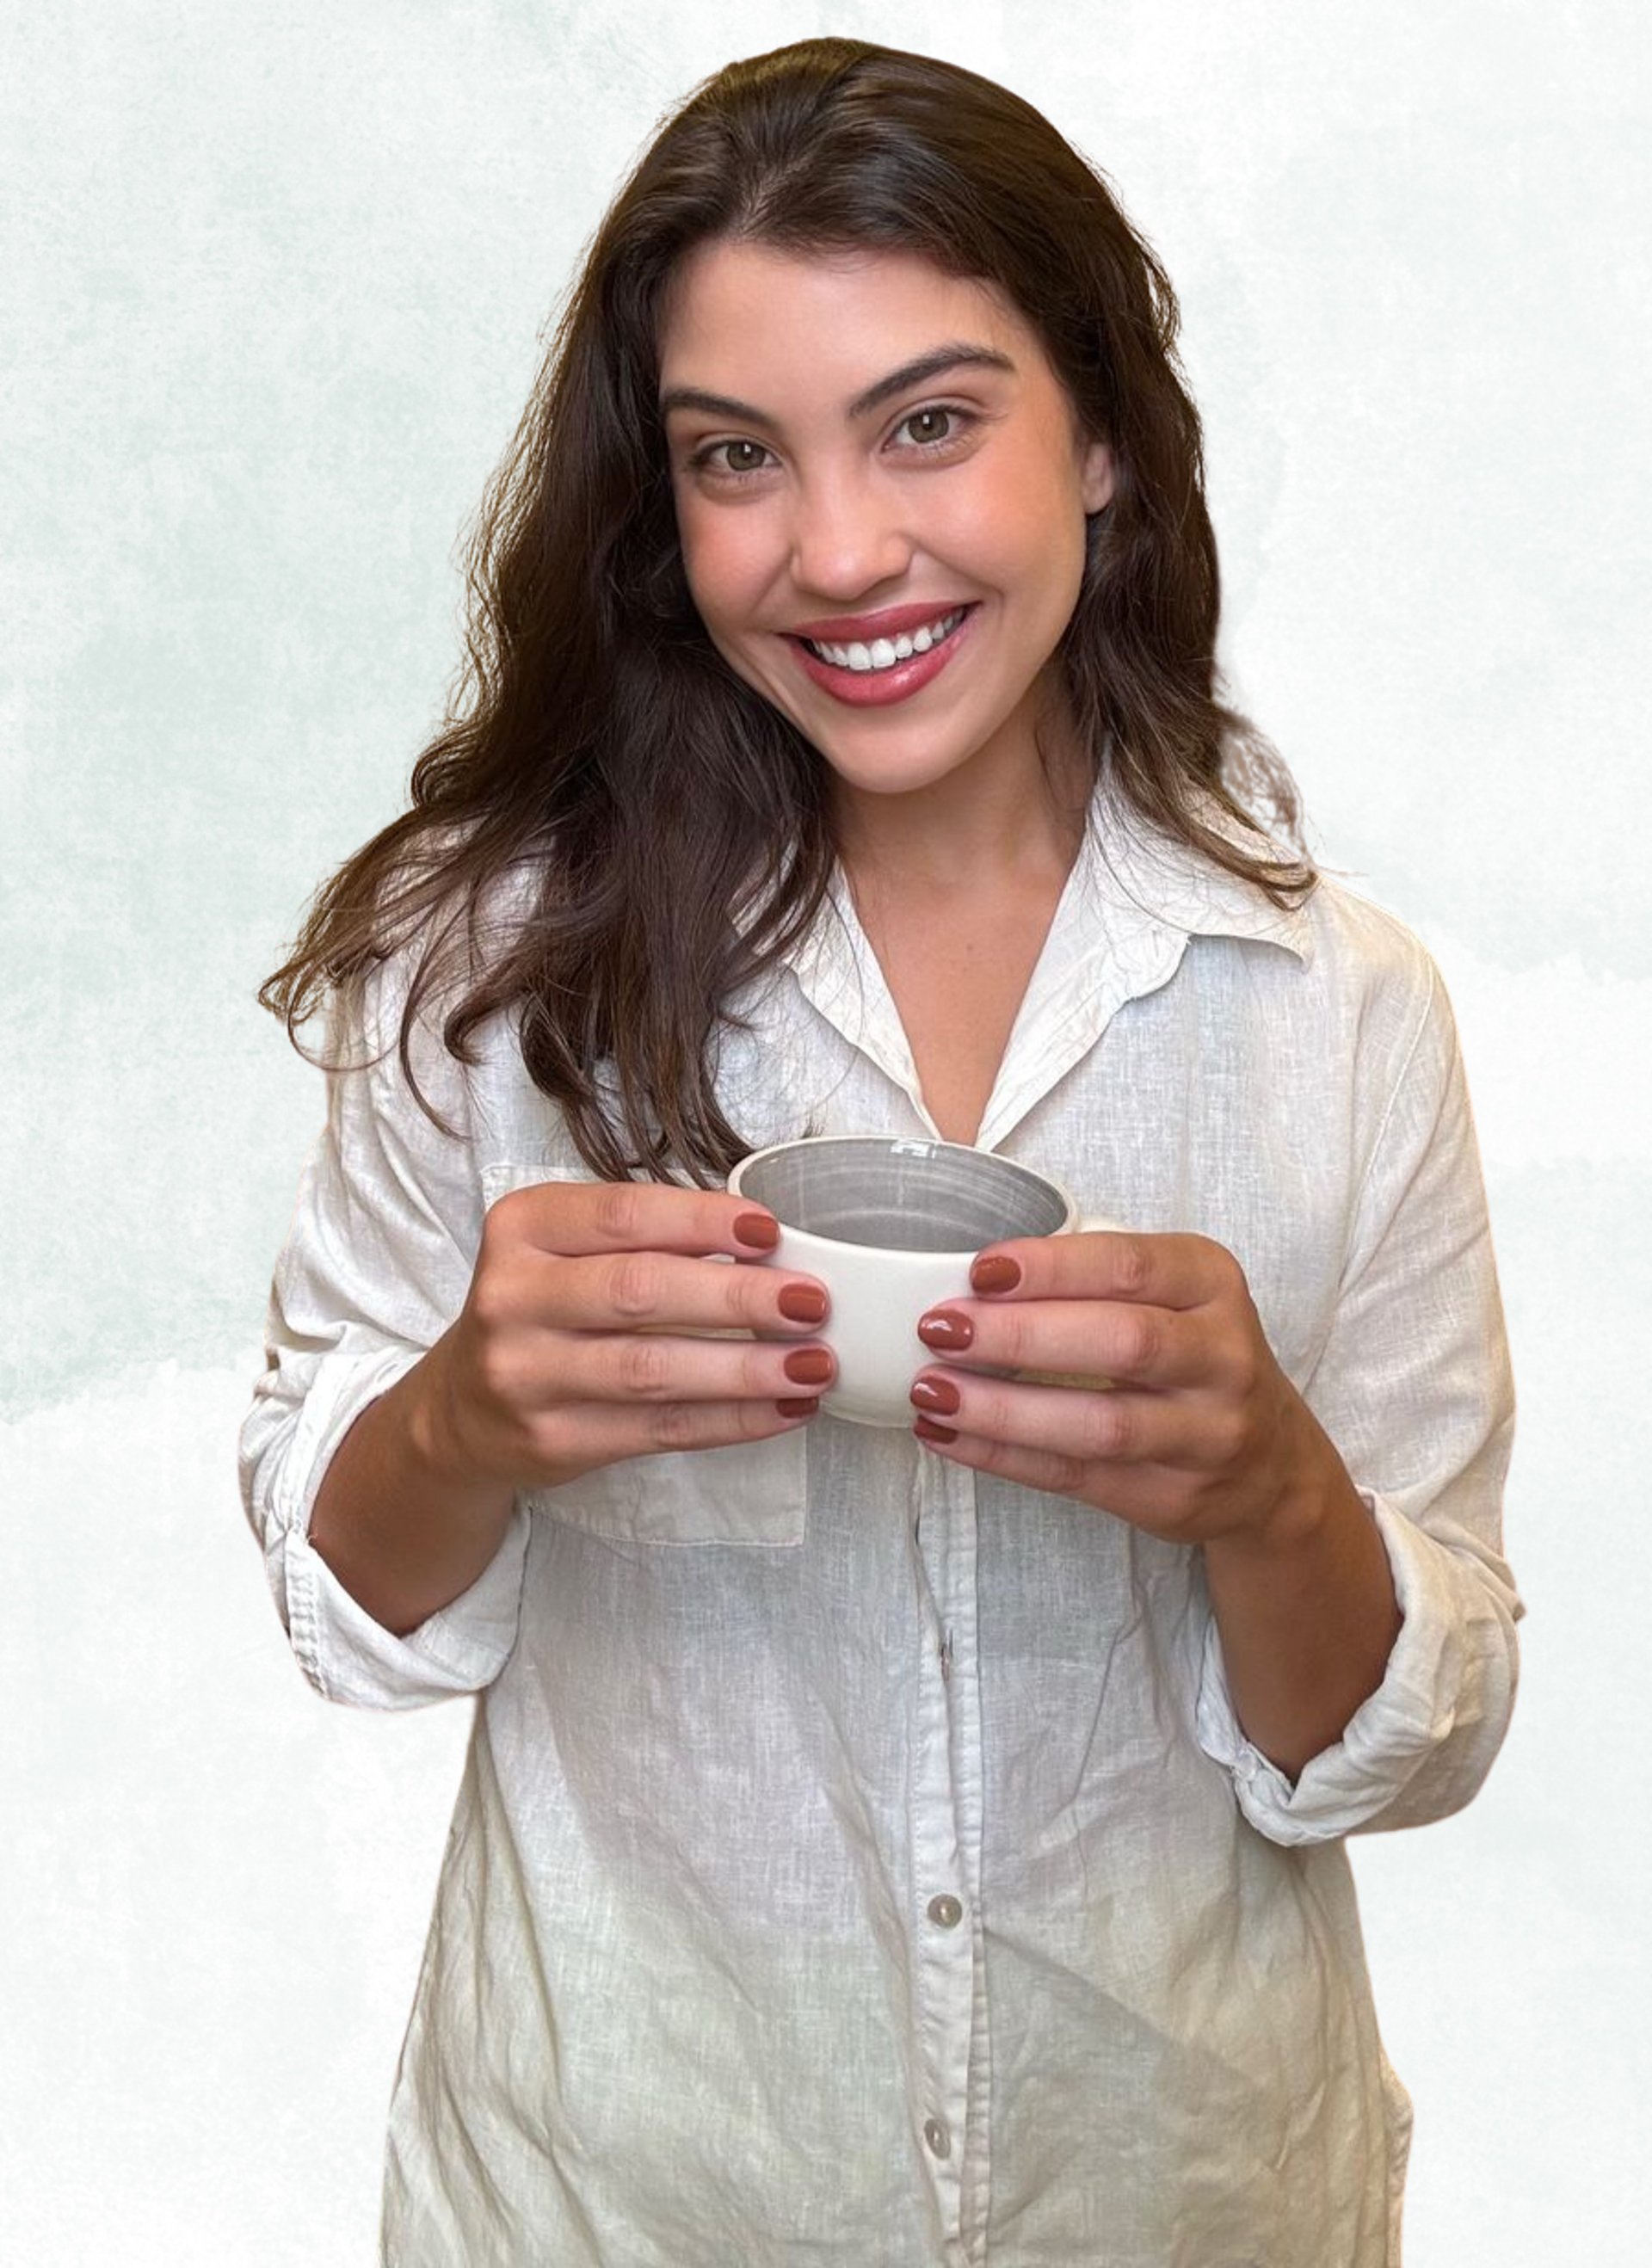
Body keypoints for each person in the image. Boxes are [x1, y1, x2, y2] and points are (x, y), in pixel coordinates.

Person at [242, 36, 1520, 2267]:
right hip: (616, 2201)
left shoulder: (1339, 1014)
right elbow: (344, 1609)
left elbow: (1415, 1749)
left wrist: (1266, 1489)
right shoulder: (485, 967)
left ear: (1102, 436)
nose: (837, 552)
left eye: (930, 422)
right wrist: (457, 1416)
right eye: (737, 457)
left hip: (1186, 2200)